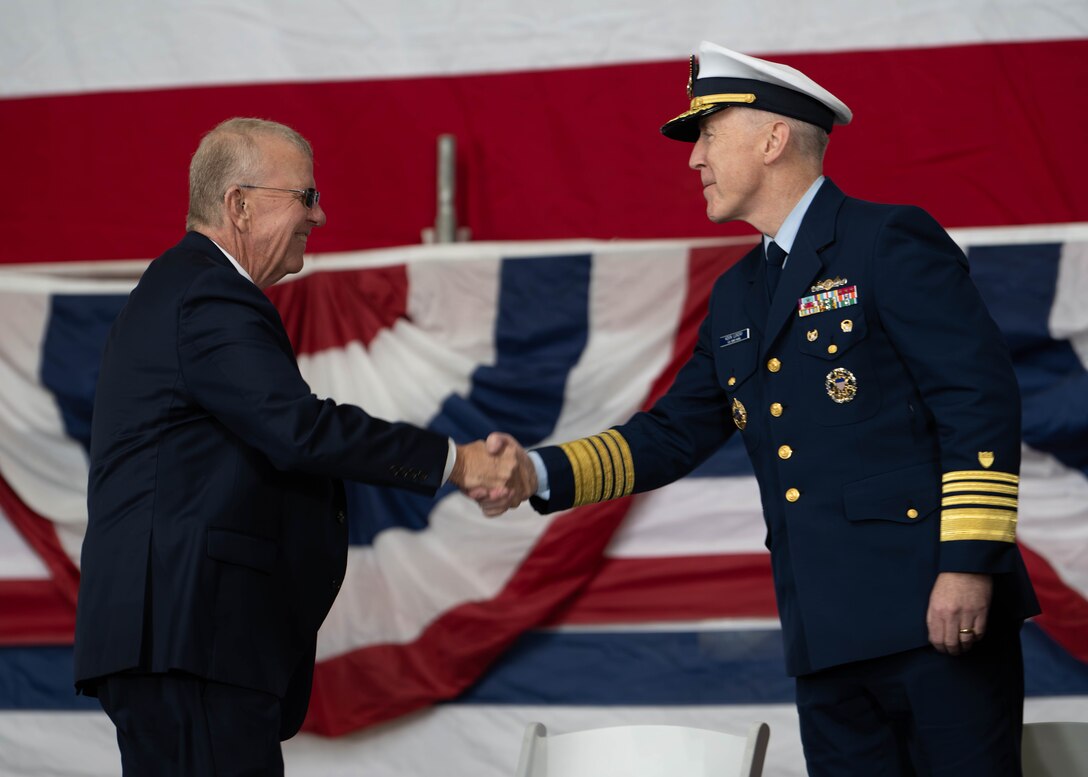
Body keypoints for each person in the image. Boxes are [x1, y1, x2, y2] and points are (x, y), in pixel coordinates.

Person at [483, 42, 1040, 776]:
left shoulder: (887, 240)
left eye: (709, 134)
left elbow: (979, 401)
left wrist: (968, 566)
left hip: (933, 614)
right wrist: (538, 471)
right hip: (824, 632)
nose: (694, 160)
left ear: (773, 140)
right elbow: (674, 432)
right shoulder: (739, 292)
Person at [73, 117, 519, 776]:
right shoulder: (207, 292)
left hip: (187, 639)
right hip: (190, 636)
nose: (322, 213)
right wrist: (456, 461)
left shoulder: (187, 289)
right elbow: (298, 430)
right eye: (305, 196)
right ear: (239, 204)